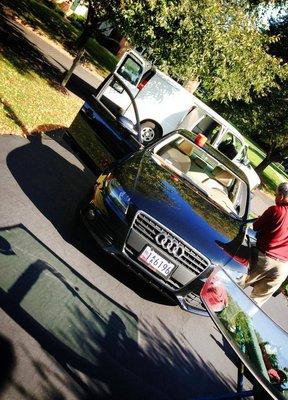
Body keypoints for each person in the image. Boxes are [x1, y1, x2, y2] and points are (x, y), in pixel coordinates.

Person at [242, 182, 288, 307]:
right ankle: (234, 324)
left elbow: (256, 227)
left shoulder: (276, 210)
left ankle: (214, 307)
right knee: (255, 303)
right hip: (283, 268)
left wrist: (261, 219)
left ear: (281, 196)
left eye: (276, 194)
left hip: (263, 259)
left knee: (236, 282)